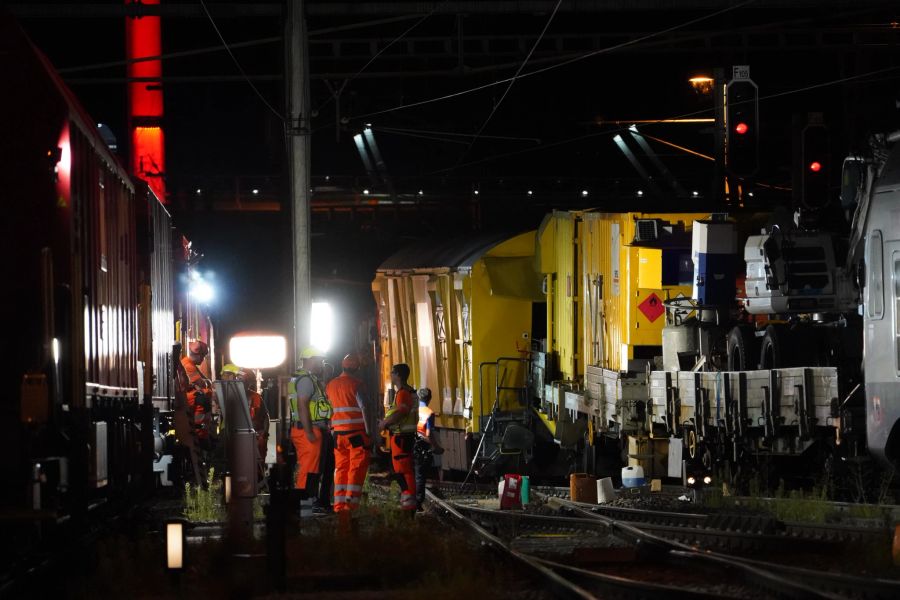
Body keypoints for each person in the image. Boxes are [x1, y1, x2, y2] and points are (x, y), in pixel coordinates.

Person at [288, 347, 333, 517]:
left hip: (311, 429)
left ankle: (306, 508)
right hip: (308, 430)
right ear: (310, 359)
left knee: (312, 471)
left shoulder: (307, 378)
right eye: (319, 360)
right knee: (308, 471)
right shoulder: (306, 380)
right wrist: (308, 432)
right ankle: (302, 511)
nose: (322, 363)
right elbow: (302, 405)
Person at [326, 353, 370, 513]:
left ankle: (339, 507)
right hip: (356, 434)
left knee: (341, 468)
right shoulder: (357, 384)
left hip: (337, 435)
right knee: (355, 468)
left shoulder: (331, 385)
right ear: (356, 368)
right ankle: (350, 506)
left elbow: (328, 409)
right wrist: (369, 431)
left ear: (342, 365)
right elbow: (364, 407)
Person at [377, 363, 418, 513]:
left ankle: (409, 504)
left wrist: (385, 423)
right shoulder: (407, 391)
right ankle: (409, 501)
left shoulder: (402, 393)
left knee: (403, 471)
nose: (391, 375)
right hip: (403, 436)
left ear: (398, 375)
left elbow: (401, 412)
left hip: (401, 437)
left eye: (393, 372)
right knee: (403, 470)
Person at [221, 364, 270, 461]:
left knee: (256, 465)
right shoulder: (229, 395)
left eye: (245, 381)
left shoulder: (256, 397)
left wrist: (264, 434)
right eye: (240, 380)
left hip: (255, 437)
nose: (243, 383)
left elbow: (265, 417)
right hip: (234, 437)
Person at [414, 387, 444, 511]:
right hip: (422, 447)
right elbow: (428, 435)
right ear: (430, 398)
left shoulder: (414, 410)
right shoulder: (429, 413)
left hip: (410, 444)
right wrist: (437, 447)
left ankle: (409, 501)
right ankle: (418, 504)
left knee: (411, 474)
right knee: (420, 476)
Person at [181, 340, 214, 445]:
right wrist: (206, 386)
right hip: (184, 398)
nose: (203, 359)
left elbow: (207, 382)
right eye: (203, 355)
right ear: (198, 355)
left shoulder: (190, 364)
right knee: (202, 397)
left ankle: (204, 433)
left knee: (204, 393)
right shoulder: (189, 365)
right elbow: (203, 384)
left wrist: (206, 384)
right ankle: (200, 434)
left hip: (185, 396)